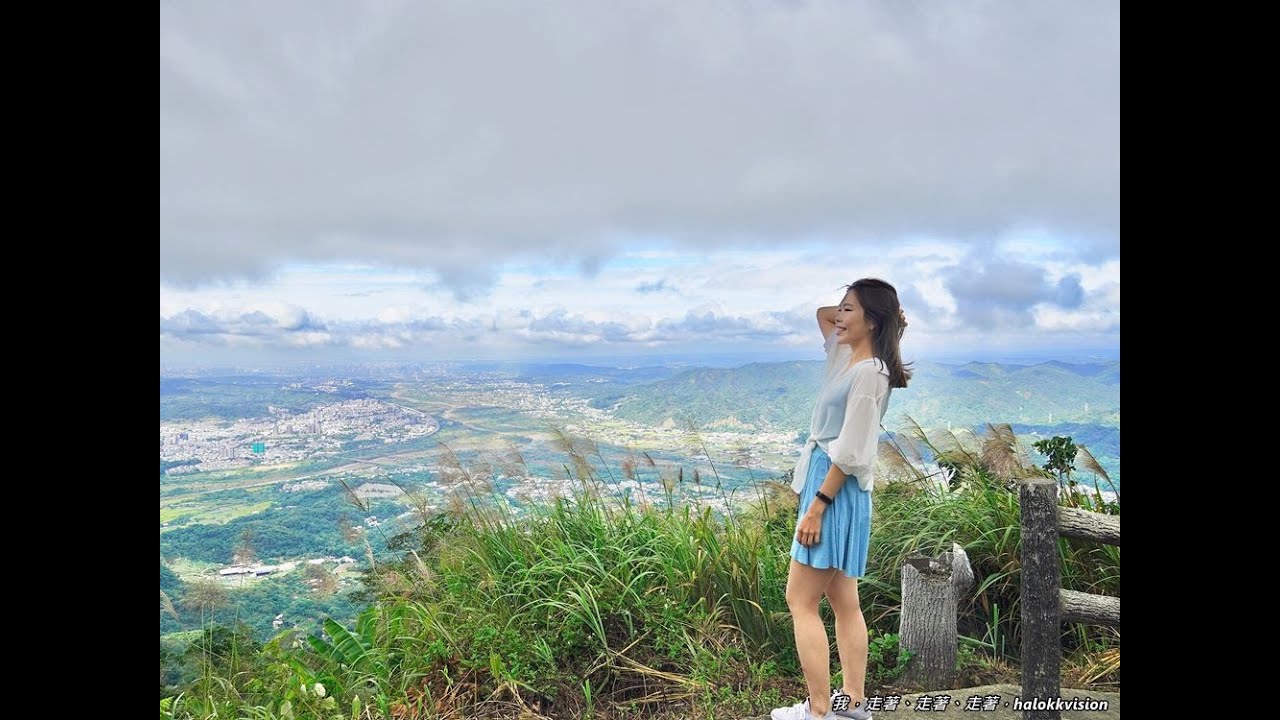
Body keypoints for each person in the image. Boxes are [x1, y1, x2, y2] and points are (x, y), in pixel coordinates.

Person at [771, 278, 911, 720]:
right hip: (834, 486)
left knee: (800, 601)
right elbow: (821, 315)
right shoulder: (850, 357)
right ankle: (852, 705)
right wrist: (869, 314)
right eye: (843, 309)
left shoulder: (868, 373)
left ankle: (818, 710)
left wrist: (816, 506)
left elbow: (851, 451)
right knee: (844, 601)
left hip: (832, 489)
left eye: (850, 310)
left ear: (871, 320)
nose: (839, 317)